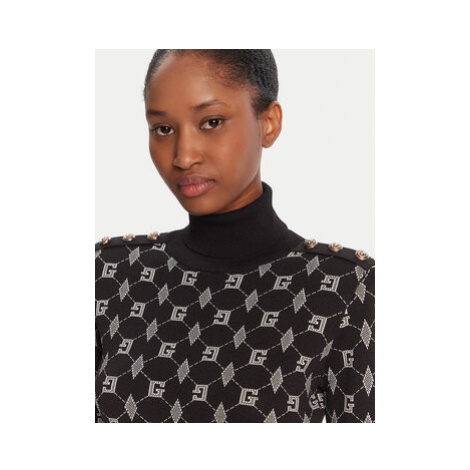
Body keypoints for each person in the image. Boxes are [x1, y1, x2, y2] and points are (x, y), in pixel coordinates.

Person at [95, 49, 375, 423]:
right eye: (163, 129)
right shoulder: (110, 275)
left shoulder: (344, 287)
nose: (183, 157)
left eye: (211, 122)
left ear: (269, 124)